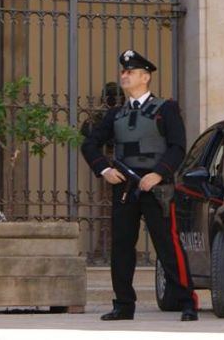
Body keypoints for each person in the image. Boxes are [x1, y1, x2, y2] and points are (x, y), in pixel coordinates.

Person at [82, 49, 198, 322]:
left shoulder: (165, 109)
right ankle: (123, 304)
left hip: (157, 189)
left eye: (130, 72)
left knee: (167, 244)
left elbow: (178, 147)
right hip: (125, 187)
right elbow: (89, 143)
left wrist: (158, 173)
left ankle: (187, 301)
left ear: (145, 77)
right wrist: (104, 169)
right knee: (121, 246)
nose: (124, 75)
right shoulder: (115, 115)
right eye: (123, 71)